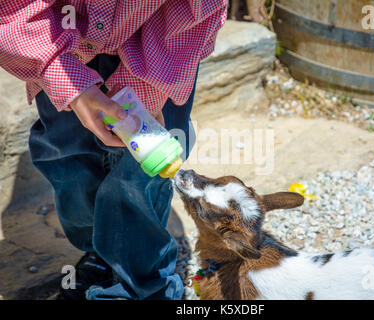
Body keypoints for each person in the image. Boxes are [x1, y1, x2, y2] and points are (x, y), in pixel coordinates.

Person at [0, 1, 227, 300]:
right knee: (68, 157)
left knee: (140, 174)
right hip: (60, 40)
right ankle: (99, 250)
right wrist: (64, 76)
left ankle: (141, 283)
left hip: (159, 45)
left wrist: (150, 86)